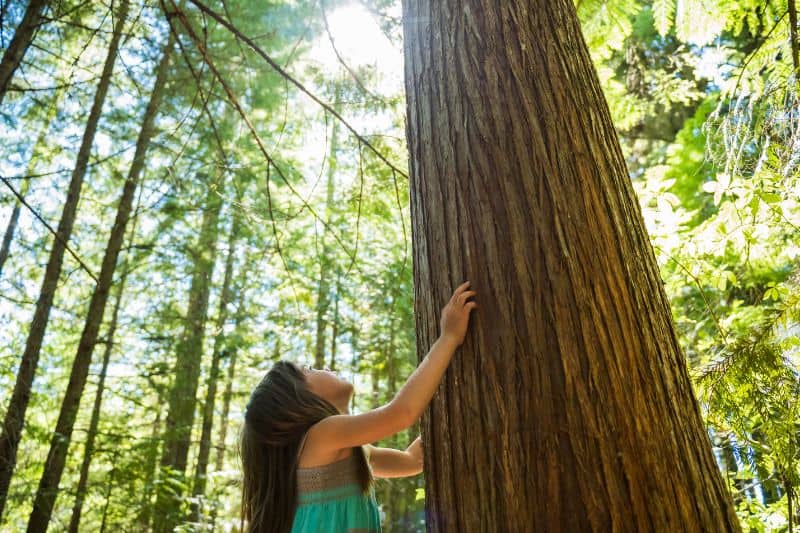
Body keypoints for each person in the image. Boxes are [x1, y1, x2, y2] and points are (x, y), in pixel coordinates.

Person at [240, 281, 478, 533]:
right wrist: (449, 337)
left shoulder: (352, 451)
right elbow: (401, 414)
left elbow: (413, 460)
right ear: (297, 401)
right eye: (307, 370)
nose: (319, 366)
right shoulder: (321, 436)